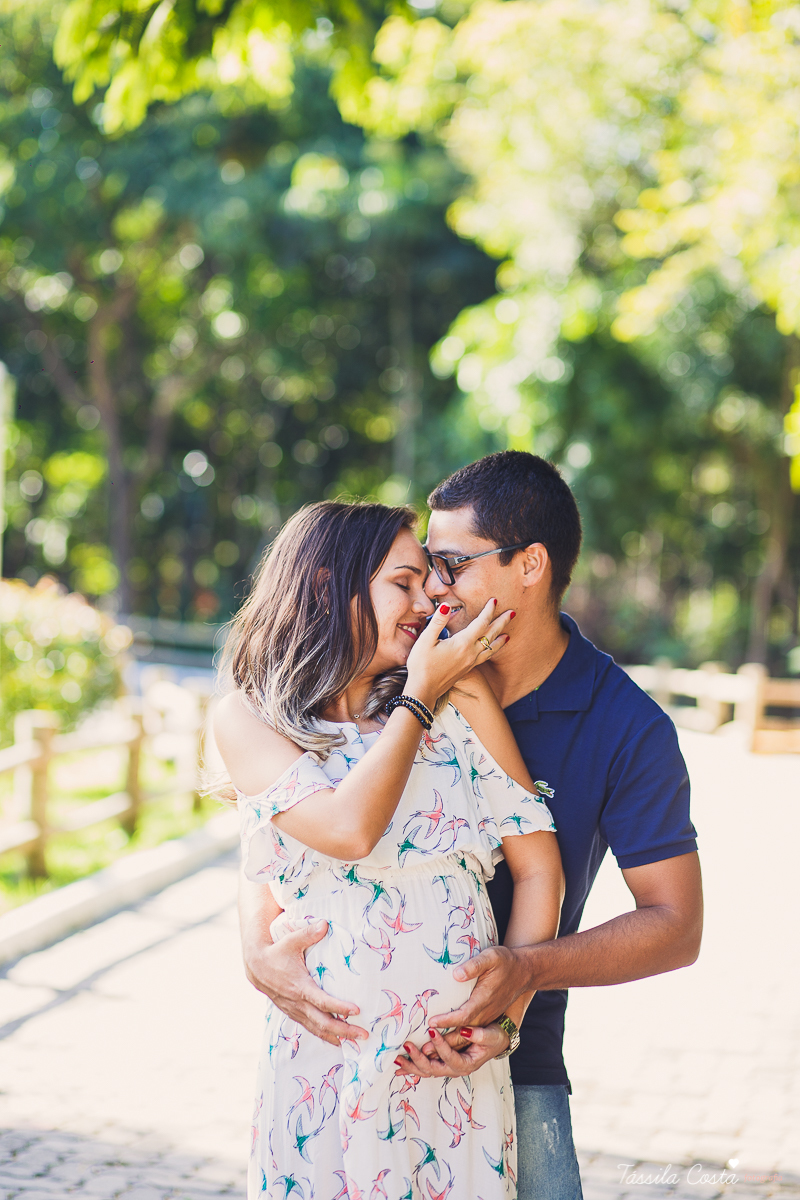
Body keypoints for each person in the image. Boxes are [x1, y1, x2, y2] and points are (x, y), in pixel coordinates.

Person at [238, 453, 703, 1200]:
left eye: (450, 566)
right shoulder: (395, 679)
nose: (433, 589)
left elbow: (675, 926)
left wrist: (521, 985)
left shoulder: (627, 727)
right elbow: (281, 830)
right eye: (423, 569)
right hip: (333, 1062)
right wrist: (255, 946)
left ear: (531, 566)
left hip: (509, 1059)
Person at [214, 500, 564, 1200]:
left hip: (449, 1075)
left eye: (427, 582)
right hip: (322, 1071)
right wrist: (420, 697)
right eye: (403, 583)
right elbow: (349, 832)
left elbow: (538, 870)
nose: (427, 601)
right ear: (327, 587)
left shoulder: (463, 694)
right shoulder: (249, 719)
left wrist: (504, 1020)